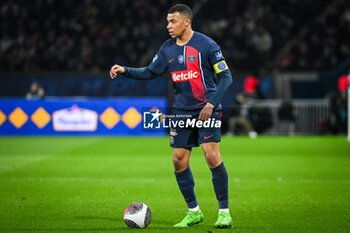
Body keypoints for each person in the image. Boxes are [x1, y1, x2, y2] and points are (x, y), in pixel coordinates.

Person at [109, 4, 233, 228]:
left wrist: (211, 104)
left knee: (211, 156)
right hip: (181, 111)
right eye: (167, 22)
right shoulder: (167, 49)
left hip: (207, 109)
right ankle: (194, 211)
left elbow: (226, 77)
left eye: (172, 21)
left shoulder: (207, 45)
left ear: (187, 22)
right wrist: (125, 70)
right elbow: (150, 71)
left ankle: (224, 212)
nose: (168, 26)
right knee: (178, 161)